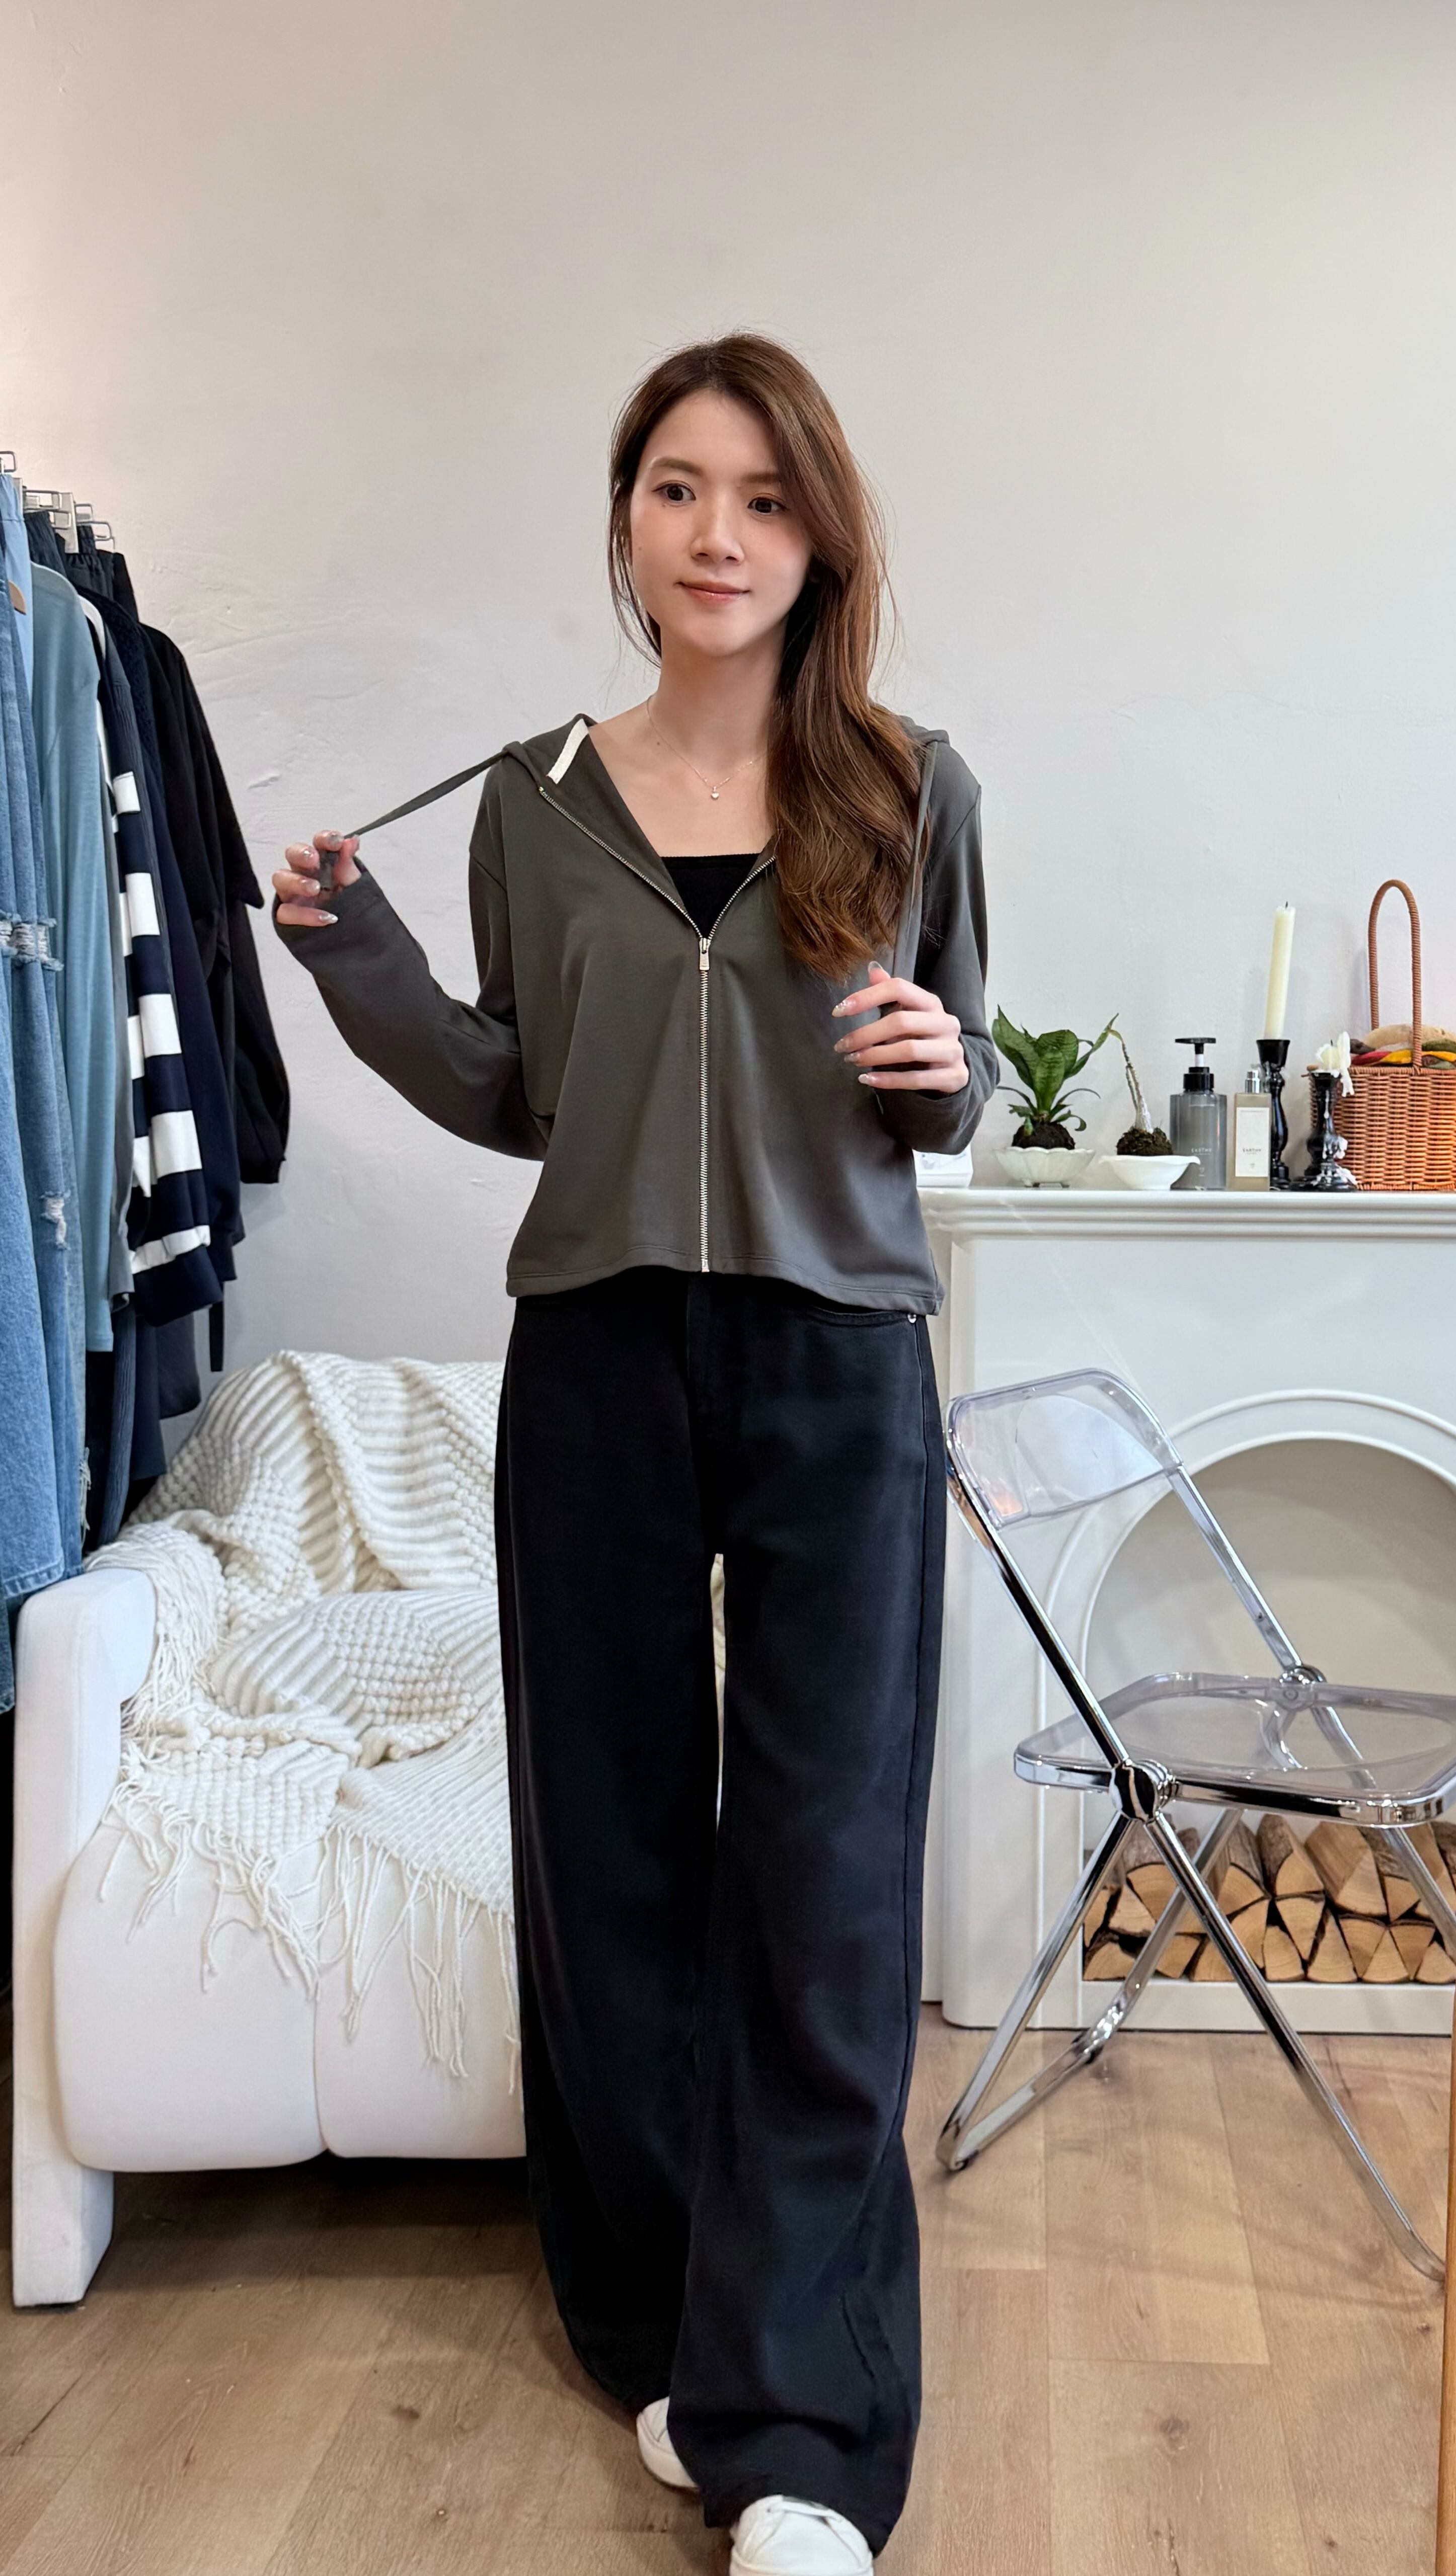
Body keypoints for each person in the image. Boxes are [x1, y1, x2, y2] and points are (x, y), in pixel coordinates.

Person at [273, 334, 995, 2576]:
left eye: (763, 498)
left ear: (819, 537)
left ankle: (808, 2434)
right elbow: (522, 1086)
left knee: (827, 1873)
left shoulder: (909, 786)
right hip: (592, 1354)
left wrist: (937, 1064)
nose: (717, 534)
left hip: (835, 1359)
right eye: (677, 488)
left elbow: (954, 1080)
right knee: (606, 1859)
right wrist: (357, 959)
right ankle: (670, 2321)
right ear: (624, 521)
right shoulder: (534, 800)